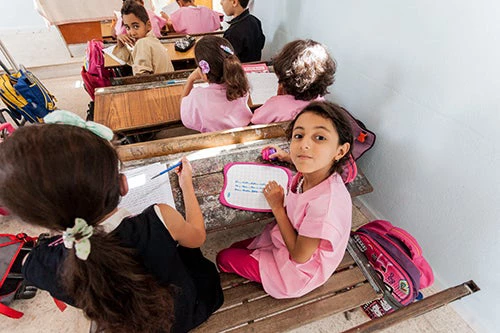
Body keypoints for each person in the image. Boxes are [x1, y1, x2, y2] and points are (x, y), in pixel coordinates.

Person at [0, 112, 223, 332]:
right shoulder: (160, 219)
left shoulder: (39, 264)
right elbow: (197, 237)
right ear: (123, 185)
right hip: (188, 311)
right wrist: (187, 186)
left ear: (38, 219)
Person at [216, 101, 354, 299]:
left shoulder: (325, 205)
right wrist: (287, 157)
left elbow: (299, 256)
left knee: (223, 258)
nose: (304, 145)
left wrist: (277, 208)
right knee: (236, 247)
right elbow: (306, 156)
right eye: (298, 135)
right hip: (285, 239)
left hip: (298, 272)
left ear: (340, 151)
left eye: (320, 137)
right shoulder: (317, 171)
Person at [251, 39, 336, 124]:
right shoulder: (322, 105)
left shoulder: (275, 105)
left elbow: (255, 121)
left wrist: (279, 98)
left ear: (284, 79)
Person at [180, 35, 252, 133]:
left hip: (214, 142)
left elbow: (183, 109)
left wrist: (190, 79)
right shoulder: (240, 86)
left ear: (204, 73)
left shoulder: (197, 96)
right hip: (242, 135)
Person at [112, 0, 174, 75]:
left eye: (136, 26)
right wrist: (121, 46)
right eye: (127, 28)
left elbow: (142, 76)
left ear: (148, 25)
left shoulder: (142, 43)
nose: (132, 33)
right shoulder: (152, 40)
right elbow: (135, 62)